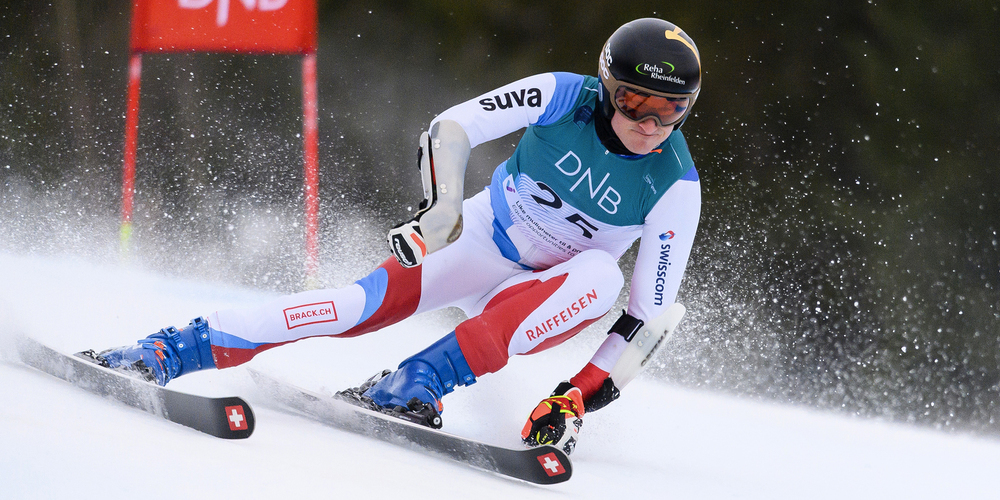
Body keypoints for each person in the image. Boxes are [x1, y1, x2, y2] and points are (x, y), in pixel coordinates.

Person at [97, 18, 703, 455]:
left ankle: (417, 384)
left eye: (671, 110)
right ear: (606, 85)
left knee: (601, 277)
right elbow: (454, 126)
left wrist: (573, 397)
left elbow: (648, 317)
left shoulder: (675, 183)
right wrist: (441, 213)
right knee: (352, 307)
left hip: (547, 294)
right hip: (482, 244)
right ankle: (172, 349)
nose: (649, 124)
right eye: (634, 101)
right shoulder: (563, 96)